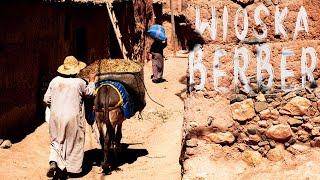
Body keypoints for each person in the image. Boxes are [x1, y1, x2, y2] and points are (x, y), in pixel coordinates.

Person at [43, 56, 96, 177]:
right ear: (76, 70)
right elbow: (90, 93)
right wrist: (92, 81)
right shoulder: (80, 82)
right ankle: (72, 169)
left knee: (56, 140)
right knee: (73, 141)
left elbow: (46, 99)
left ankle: (54, 162)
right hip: (73, 118)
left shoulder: (55, 80)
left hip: (55, 117)